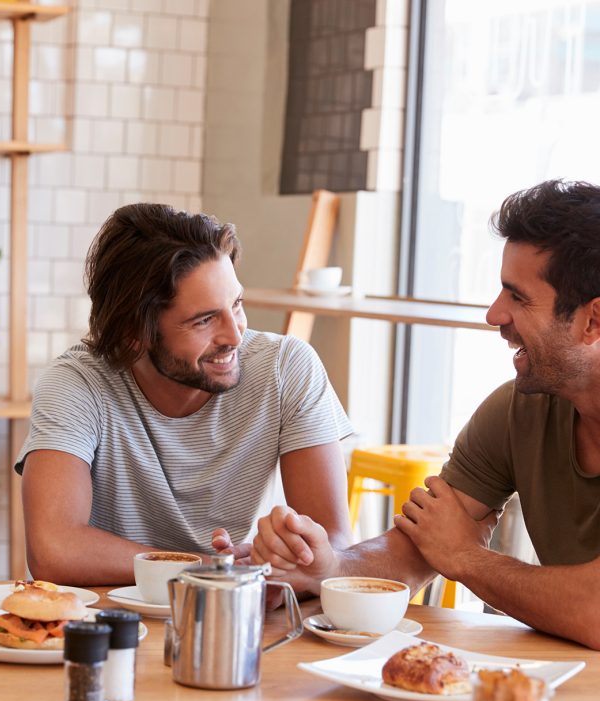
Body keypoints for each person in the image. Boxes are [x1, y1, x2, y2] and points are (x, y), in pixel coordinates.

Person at [249, 179, 600, 649]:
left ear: (592, 321)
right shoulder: (520, 410)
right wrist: (328, 568)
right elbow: (418, 548)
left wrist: (466, 558)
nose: (494, 315)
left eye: (518, 297)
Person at [17, 203, 354, 586]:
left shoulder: (286, 368)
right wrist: (212, 570)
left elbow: (335, 545)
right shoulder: (76, 385)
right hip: (110, 626)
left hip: (231, 616)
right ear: (135, 331)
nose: (235, 335)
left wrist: (294, 557)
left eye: (236, 304)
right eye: (205, 320)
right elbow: (54, 549)